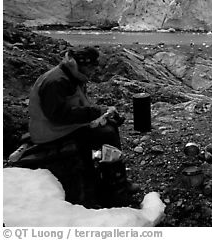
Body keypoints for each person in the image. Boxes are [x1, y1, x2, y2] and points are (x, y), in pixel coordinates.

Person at [27, 46, 137, 205]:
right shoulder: (56, 82)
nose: (92, 71)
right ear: (82, 64)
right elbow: (58, 116)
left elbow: (76, 107)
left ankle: (111, 178)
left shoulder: (70, 75)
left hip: (59, 127)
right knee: (107, 134)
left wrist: (100, 116)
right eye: (91, 67)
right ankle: (115, 186)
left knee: (109, 126)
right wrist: (94, 113)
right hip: (50, 132)